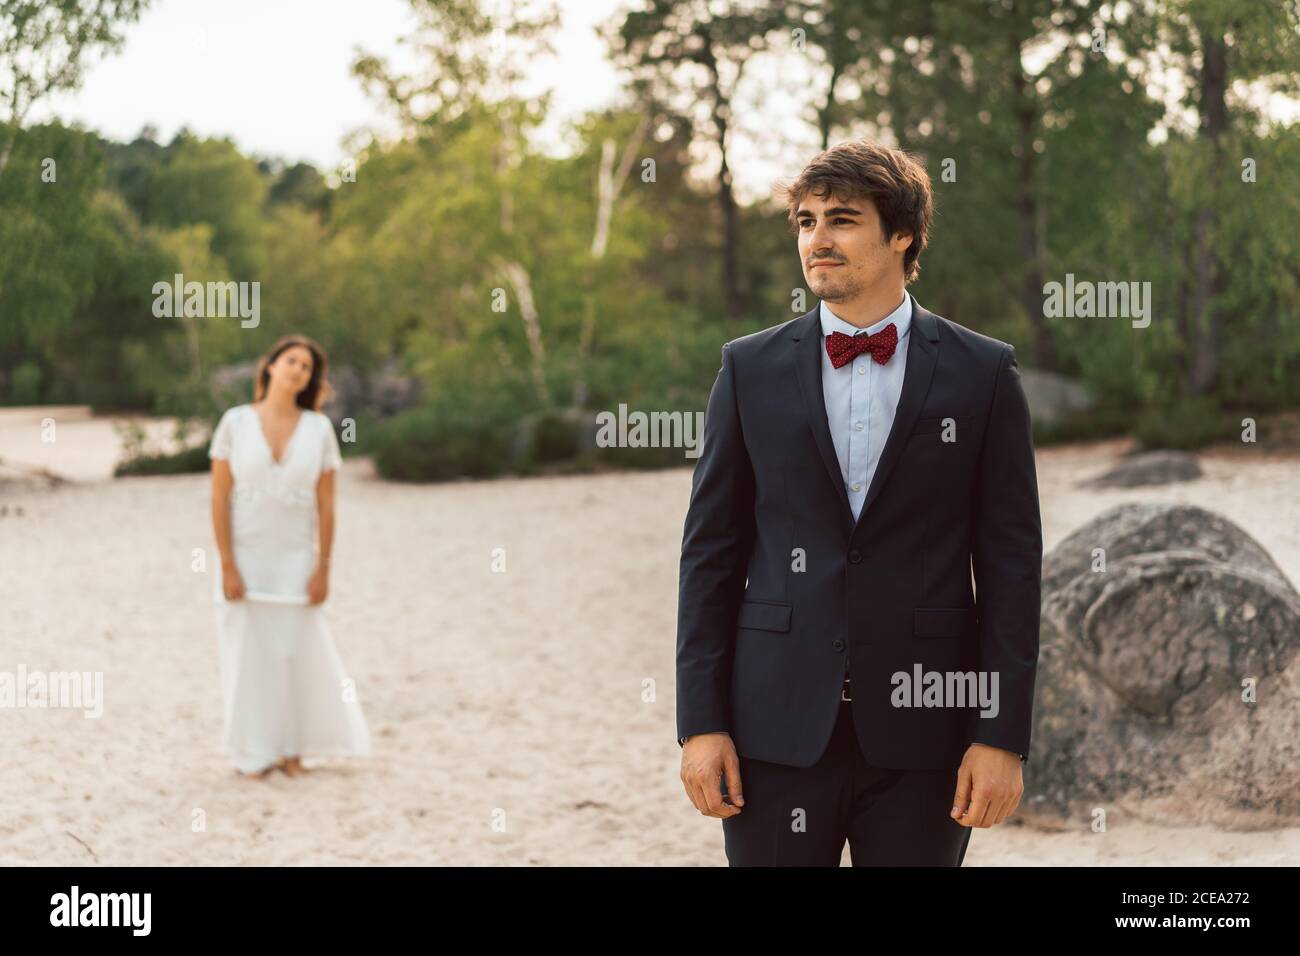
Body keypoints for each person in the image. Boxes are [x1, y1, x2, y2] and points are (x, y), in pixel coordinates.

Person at [676, 139, 1042, 865]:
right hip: (772, 728)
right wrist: (700, 725)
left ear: (901, 234)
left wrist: (999, 734)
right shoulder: (747, 368)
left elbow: (1011, 567)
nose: (818, 239)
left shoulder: (984, 372)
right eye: (806, 222)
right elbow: (709, 556)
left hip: (927, 731)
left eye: (841, 220)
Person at [208, 334, 371, 778]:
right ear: (271, 366)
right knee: (248, 654)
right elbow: (220, 497)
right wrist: (226, 563)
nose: (297, 370)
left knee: (296, 654)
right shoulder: (235, 423)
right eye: (291, 360)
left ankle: (294, 749)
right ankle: (253, 751)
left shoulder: (319, 429)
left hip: (297, 557)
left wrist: (324, 568)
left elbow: (328, 505)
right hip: (245, 553)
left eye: (306, 366)